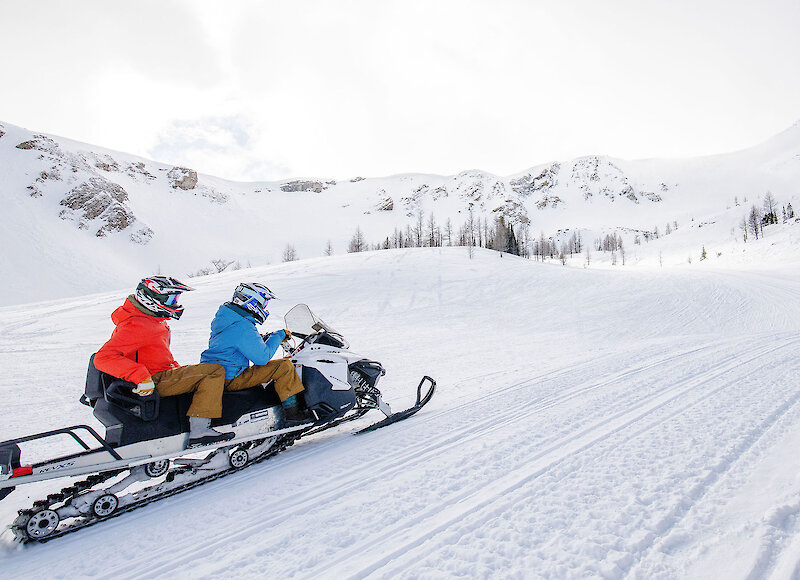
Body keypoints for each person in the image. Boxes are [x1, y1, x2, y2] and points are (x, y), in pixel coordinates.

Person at [94, 276, 235, 447]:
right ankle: (200, 430)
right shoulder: (137, 324)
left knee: (203, 372)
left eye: (176, 299)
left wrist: (178, 369)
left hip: (159, 374)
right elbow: (103, 358)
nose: (175, 303)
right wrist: (141, 377)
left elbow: (157, 356)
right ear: (151, 298)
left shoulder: (151, 321)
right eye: (171, 299)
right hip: (153, 380)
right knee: (214, 371)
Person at [200, 282, 309, 425]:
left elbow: (238, 343)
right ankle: (294, 414)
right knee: (283, 366)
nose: (265, 308)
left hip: (218, 375)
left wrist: (265, 338)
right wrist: (278, 335)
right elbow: (262, 358)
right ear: (252, 301)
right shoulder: (243, 326)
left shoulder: (227, 319)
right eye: (264, 303)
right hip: (232, 378)